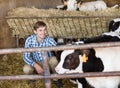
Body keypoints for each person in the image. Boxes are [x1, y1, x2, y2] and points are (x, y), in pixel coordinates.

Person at [23, 21, 63, 88]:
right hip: (36, 62)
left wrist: (59, 50)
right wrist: (36, 65)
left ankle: (56, 78)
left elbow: (58, 49)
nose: (43, 33)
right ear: (35, 32)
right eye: (40, 30)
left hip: (47, 61)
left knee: (54, 60)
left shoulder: (49, 39)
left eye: (45, 30)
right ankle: (33, 77)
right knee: (26, 69)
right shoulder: (29, 40)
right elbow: (25, 57)